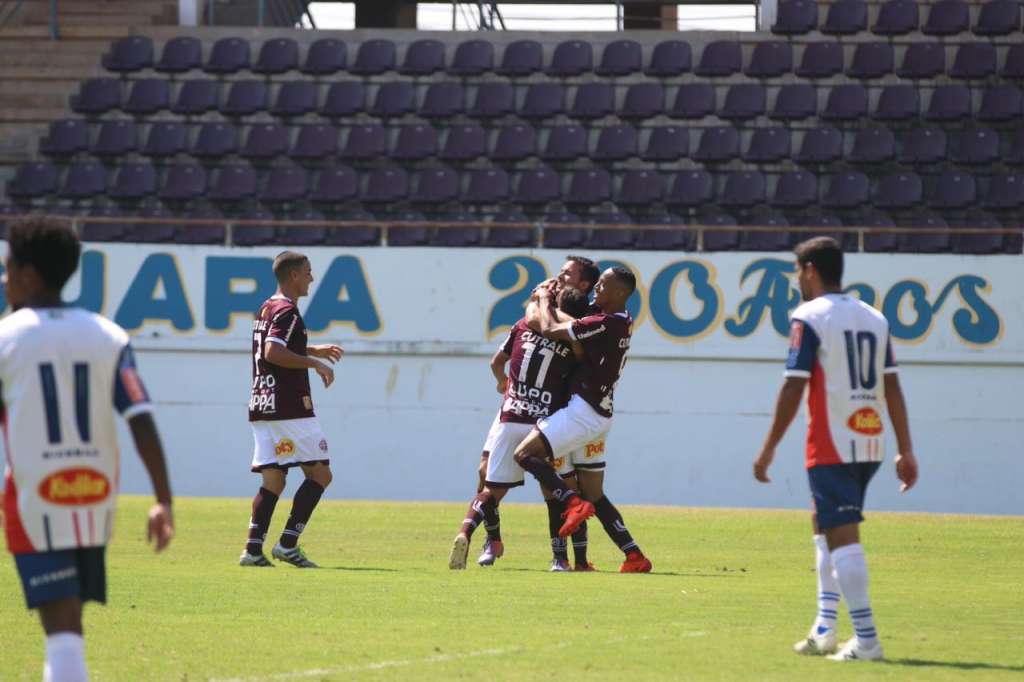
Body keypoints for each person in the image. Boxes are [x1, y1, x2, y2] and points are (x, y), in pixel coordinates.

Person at [1, 217, 174, 682]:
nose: (4, 278)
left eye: (9, 267)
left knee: (61, 628)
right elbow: (141, 419)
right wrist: (163, 499)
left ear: (29, 273)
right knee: (67, 622)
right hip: (92, 499)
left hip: (33, 498)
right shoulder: (108, 335)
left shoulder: (6, 339)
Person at [753, 236, 919, 662]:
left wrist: (769, 447)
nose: (797, 282)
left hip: (831, 442)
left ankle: (866, 640)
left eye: (797, 273)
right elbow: (892, 385)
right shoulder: (873, 316)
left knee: (844, 539)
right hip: (871, 440)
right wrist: (905, 449)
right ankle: (826, 627)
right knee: (822, 523)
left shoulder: (809, 316)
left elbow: (794, 383)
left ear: (809, 270)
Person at [463, 256, 601, 569]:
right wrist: (503, 383)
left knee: (560, 484)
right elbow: (531, 323)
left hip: (556, 412)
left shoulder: (585, 314)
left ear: (584, 284)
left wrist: (541, 300)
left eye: (568, 273)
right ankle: (492, 540)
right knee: (485, 472)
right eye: (562, 271)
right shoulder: (544, 300)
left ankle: (563, 557)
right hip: (515, 405)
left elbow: (545, 324)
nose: (560, 276)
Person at [513, 268, 652, 573]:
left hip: (582, 414)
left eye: (603, 285)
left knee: (524, 455)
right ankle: (634, 556)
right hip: (599, 416)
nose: (597, 288)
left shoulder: (604, 323)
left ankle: (572, 502)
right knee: (595, 493)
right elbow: (573, 319)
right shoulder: (617, 318)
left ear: (618, 293)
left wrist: (544, 299)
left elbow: (548, 328)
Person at [240, 251, 343, 569]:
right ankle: (287, 544)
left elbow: (274, 345)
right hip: (289, 407)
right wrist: (313, 362)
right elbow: (272, 351)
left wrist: (311, 348)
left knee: (274, 481)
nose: (312, 278)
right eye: (308, 272)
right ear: (294, 276)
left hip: (262, 404)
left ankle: (253, 551)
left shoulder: (266, 308)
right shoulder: (288, 311)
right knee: (321, 474)